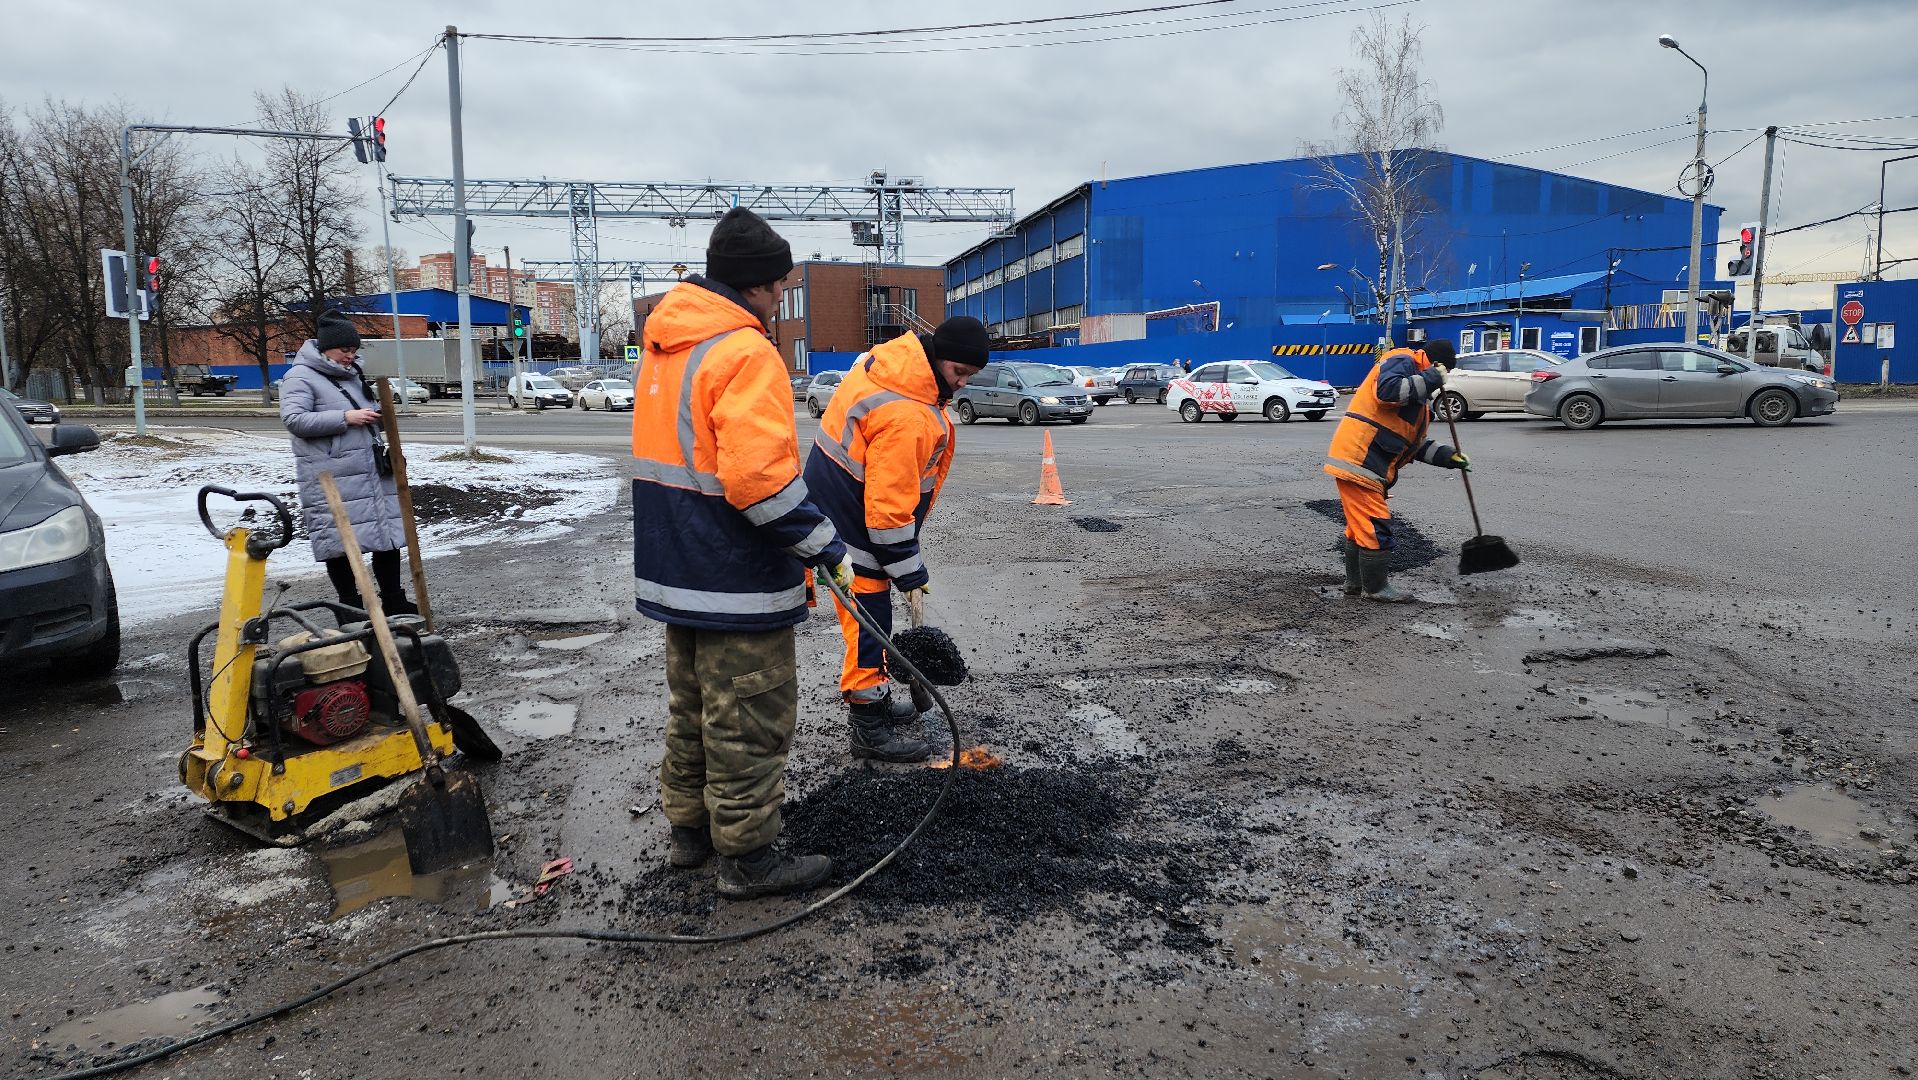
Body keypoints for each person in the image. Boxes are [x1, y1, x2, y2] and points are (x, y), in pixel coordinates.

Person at [631, 207, 850, 901]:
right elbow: (758, 479)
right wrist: (823, 545)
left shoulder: (669, 345)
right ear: (756, 285)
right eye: (781, 286)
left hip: (676, 568)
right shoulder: (744, 351)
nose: (783, 297)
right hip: (735, 572)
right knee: (749, 719)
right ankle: (750, 859)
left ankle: (690, 833)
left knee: (693, 707)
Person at [803, 316, 989, 763]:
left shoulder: (895, 365)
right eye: (957, 373)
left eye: (970, 376)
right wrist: (910, 572)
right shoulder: (908, 414)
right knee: (871, 628)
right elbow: (887, 518)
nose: (961, 384)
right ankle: (868, 728)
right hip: (851, 528)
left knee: (872, 620)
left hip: (839, 506)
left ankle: (878, 700)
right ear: (936, 358)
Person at [281, 310, 416, 615]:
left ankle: (393, 600)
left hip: (369, 470)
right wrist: (346, 418)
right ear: (326, 347)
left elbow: (360, 412)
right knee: (339, 541)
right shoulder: (300, 377)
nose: (350, 356)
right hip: (331, 475)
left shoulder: (352, 376)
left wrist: (377, 418)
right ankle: (350, 607)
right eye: (345, 350)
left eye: (354, 351)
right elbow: (294, 420)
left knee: (386, 535)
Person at [1322, 337, 1471, 602]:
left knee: (1360, 527)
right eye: (1445, 372)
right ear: (1436, 364)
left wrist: (1449, 457)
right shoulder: (1402, 361)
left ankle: (1354, 585)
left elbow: (1412, 445)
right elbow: (1387, 391)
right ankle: (1376, 589)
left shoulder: (1419, 395)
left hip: (1365, 462)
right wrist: (1432, 377)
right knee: (1376, 526)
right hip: (1361, 458)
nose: (1443, 382)